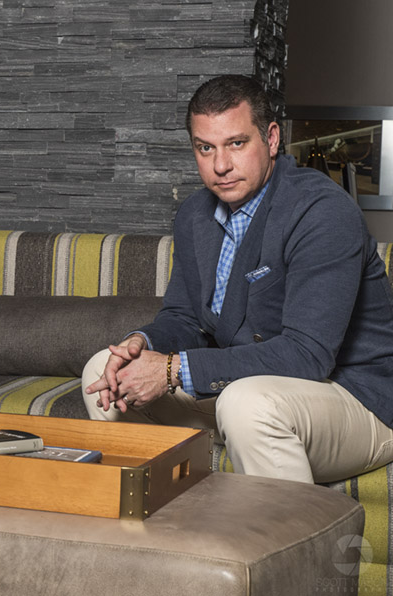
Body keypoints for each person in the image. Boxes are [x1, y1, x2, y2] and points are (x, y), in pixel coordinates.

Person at [81, 74, 393, 485]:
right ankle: (162, 521)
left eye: (236, 143)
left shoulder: (322, 212)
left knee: (247, 404)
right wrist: (145, 343)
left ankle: (287, 546)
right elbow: (183, 317)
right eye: (205, 148)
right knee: (102, 370)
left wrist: (173, 370)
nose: (221, 165)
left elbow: (307, 356)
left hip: (357, 397)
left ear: (273, 139)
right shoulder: (195, 215)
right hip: (249, 393)